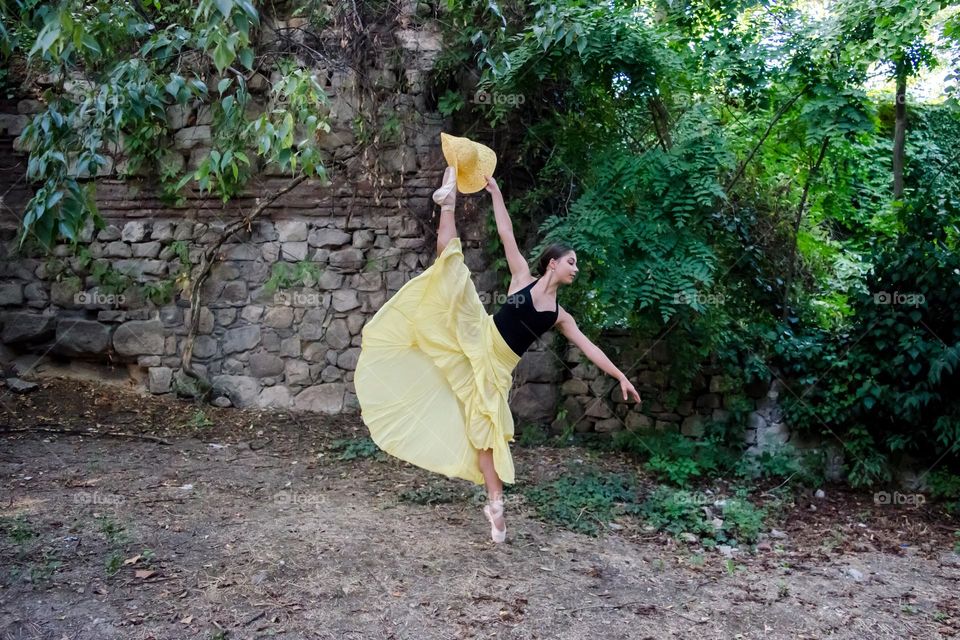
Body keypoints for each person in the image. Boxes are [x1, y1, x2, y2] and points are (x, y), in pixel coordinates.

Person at [354, 166, 641, 544]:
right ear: (553, 263)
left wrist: (620, 375)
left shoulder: (560, 315)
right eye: (571, 261)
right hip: (479, 334)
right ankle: (448, 203)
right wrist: (495, 193)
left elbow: (589, 347)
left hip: (496, 369)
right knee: (451, 271)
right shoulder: (522, 278)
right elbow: (506, 233)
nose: (576, 268)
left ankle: (496, 505)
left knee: (485, 436)